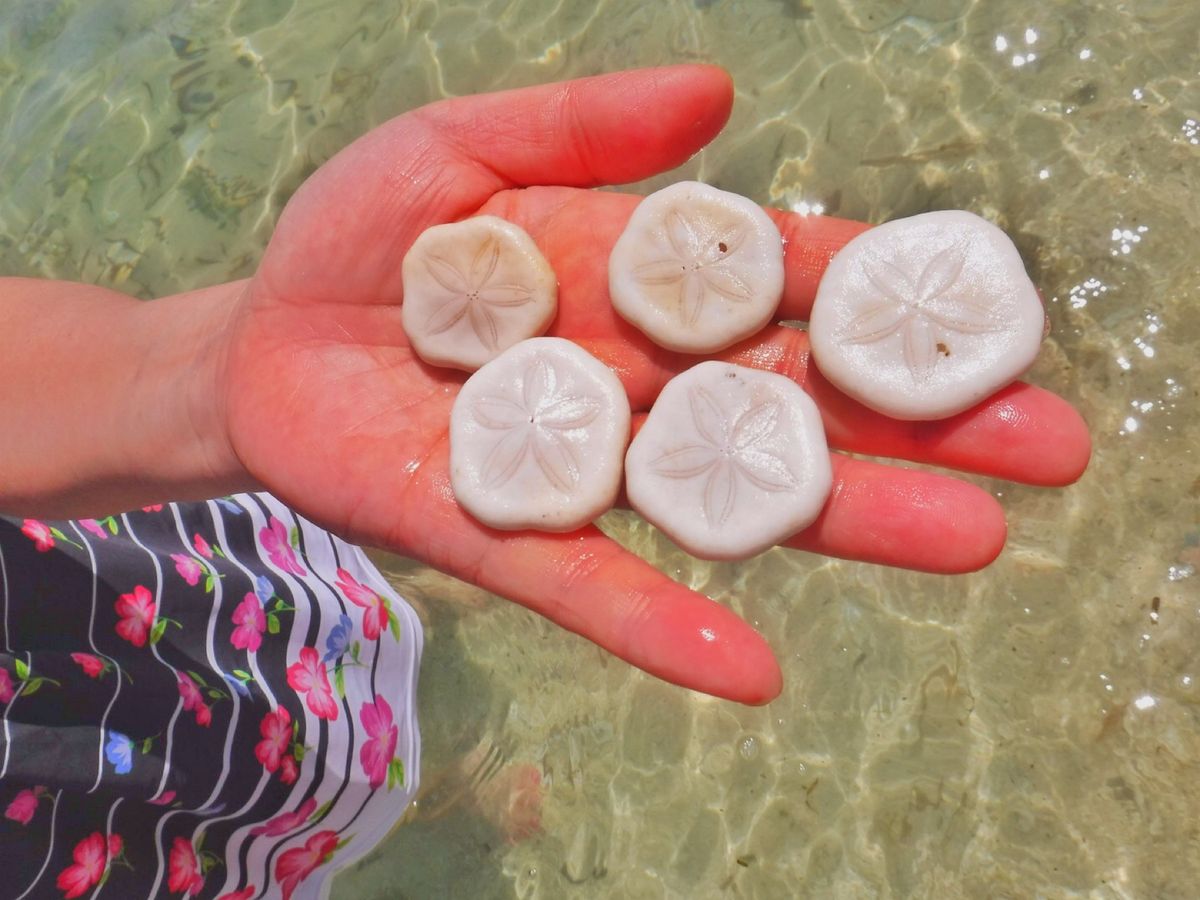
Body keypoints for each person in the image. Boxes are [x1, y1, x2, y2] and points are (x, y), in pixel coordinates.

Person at [0, 66, 1090, 898]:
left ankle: (414, 727)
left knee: (342, 650)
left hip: (146, 581)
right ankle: (405, 786)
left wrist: (199, 375)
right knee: (288, 804)